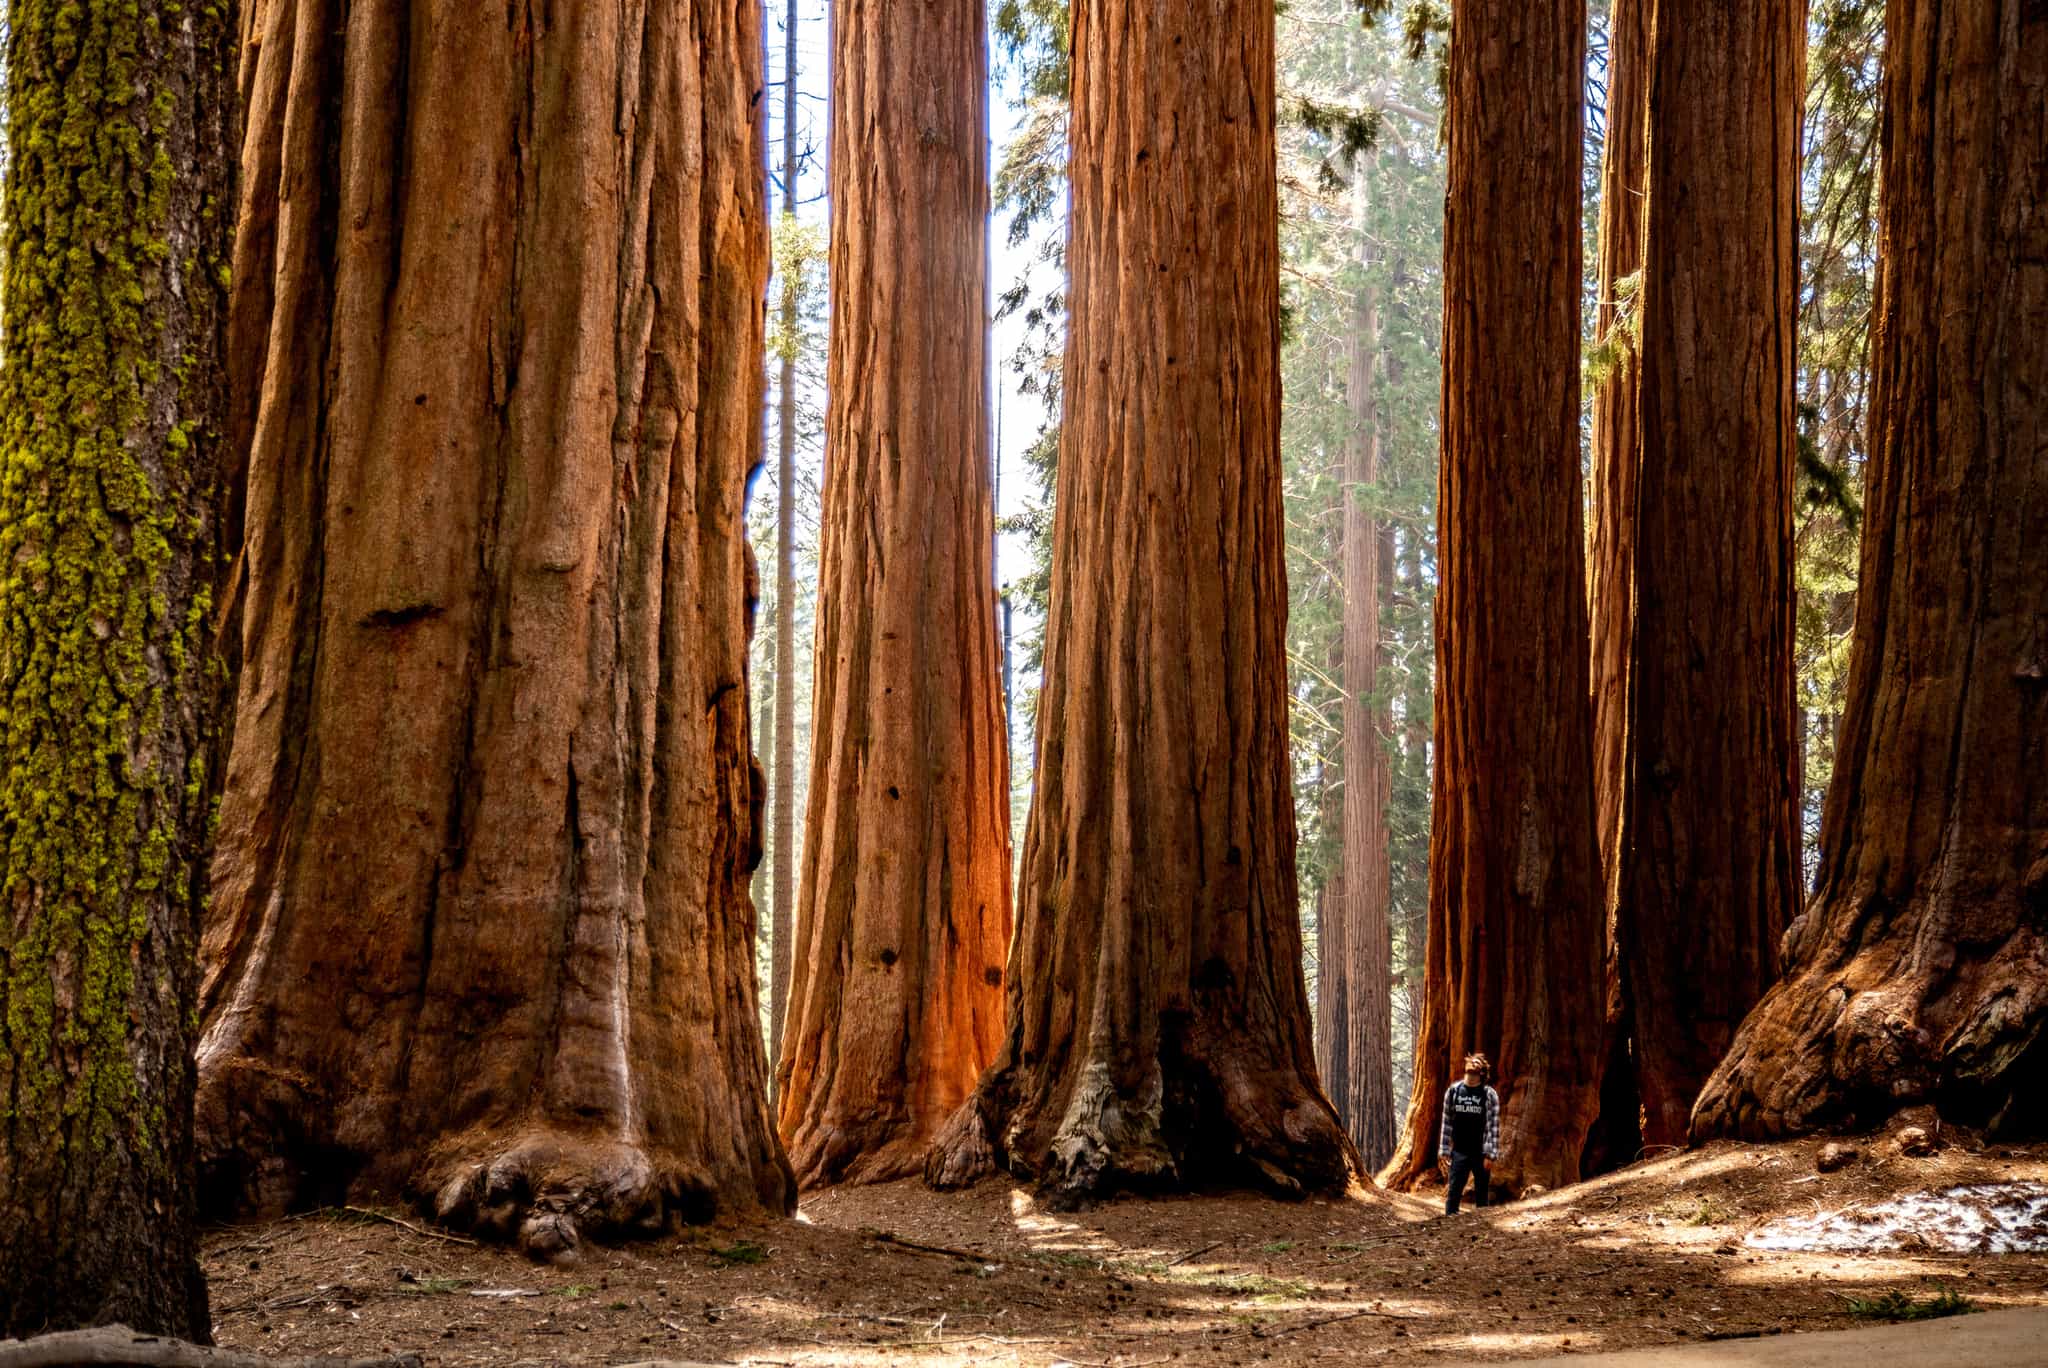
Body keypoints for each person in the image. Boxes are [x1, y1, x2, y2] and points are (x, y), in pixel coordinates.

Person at [1437, 1052, 1500, 1214]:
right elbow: (1447, 1121)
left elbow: (1493, 1125)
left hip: (1481, 1152)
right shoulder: (1453, 1092)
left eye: (1475, 1070)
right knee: (1454, 1191)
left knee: (1481, 1193)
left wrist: (1491, 1154)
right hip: (1459, 1151)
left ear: (1482, 1073)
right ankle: (1449, 1223)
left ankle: (1483, 1226)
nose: (1470, 1074)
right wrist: (1444, 1150)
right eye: (1469, 1068)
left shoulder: (1489, 1094)